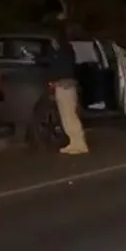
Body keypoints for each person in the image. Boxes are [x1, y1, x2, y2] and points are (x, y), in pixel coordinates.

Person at [49, 23, 89, 154]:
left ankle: (79, 144)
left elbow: (60, 68)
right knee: (67, 115)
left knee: (69, 115)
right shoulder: (68, 50)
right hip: (67, 84)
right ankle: (74, 142)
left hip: (64, 85)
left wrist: (53, 81)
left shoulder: (62, 52)